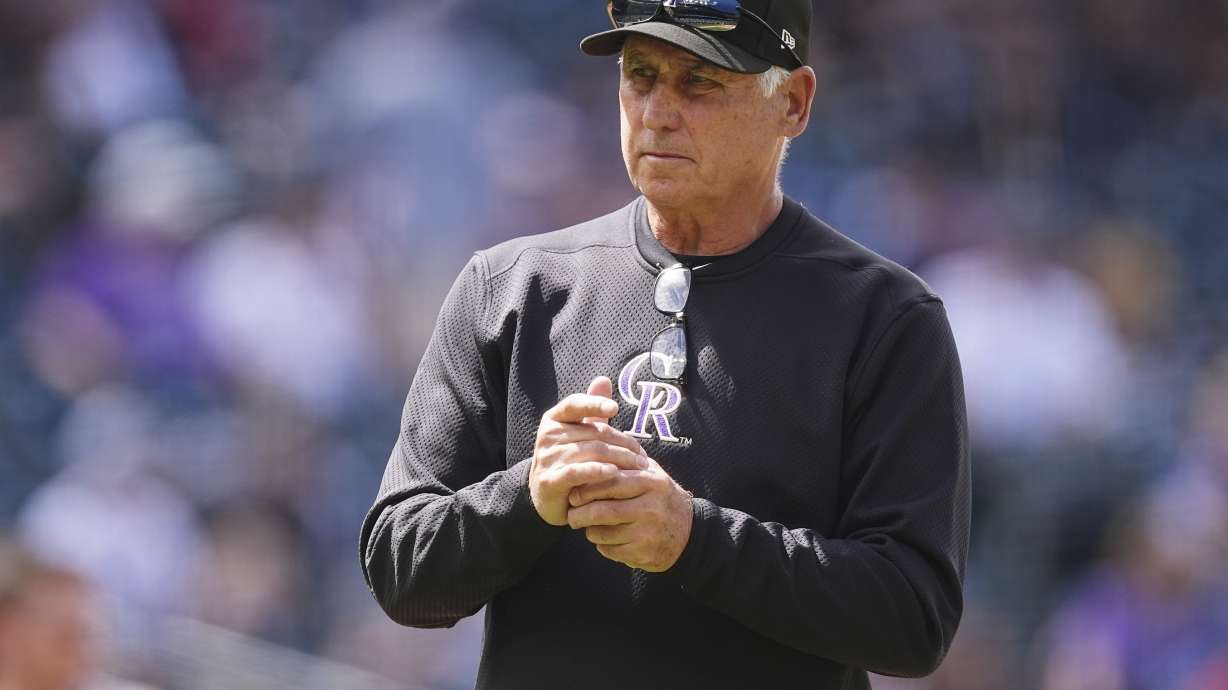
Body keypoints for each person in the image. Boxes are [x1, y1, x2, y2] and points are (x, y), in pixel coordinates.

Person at [359, 2, 970, 687]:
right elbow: (400, 571)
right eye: (639, 75)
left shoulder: (884, 318)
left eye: (700, 82)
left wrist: (693, 539)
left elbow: (914, 620)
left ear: (793, 103)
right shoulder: (510, 287)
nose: (656, 111)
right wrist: (528, 495)